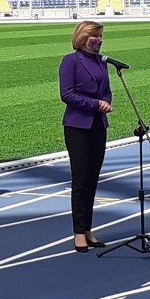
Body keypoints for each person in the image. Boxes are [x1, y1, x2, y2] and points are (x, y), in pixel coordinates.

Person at [59, 20, 113, 253]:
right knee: (80, 180)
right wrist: (95, 104)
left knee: (93, 178)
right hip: (77, 126)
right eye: (95, 36)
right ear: (83, 37)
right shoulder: (70, 61)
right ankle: (78, 231)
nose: (99, 40)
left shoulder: (102, 63)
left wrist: (106, 102)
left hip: (98, 125)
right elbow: (67, 94)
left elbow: (107, 90)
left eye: (101, 36)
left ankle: (88, 228)